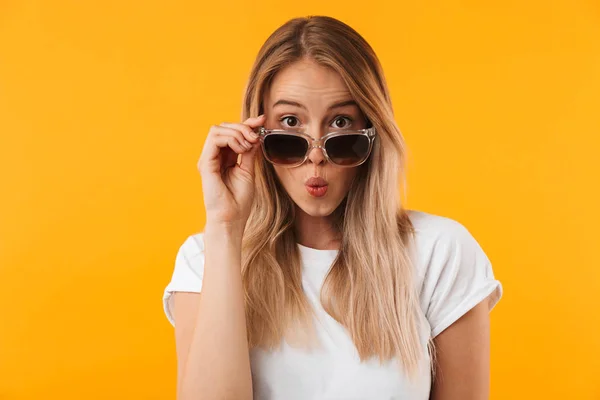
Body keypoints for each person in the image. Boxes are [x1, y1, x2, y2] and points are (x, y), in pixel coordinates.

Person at [162, 15, 503, 400]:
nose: (316, 156)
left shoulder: (440, 252)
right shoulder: (203, 260)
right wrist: (225, 228)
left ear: (373, 133)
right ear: (256, 134)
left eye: (341, 122)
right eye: (290, 122)